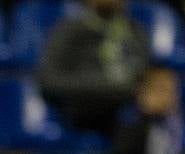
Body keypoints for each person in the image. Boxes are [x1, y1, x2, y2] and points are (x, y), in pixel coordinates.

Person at [37, 0, 150, 134]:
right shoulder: (69, 30)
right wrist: (105, 88)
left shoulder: (136, 32)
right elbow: (48, 80)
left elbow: (143, 80)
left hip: (127, 114)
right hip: (80, 113)